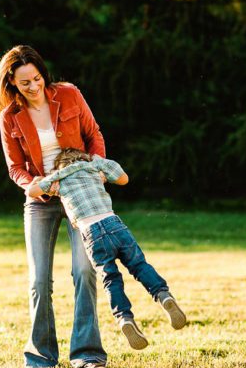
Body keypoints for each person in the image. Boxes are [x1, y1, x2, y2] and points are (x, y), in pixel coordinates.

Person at [0, 45, 108, 368]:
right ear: (11, 83)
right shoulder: (9, 117)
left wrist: (97, 169)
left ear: (43, 74)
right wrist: (32, 184)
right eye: (25, 83)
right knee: (39, 281)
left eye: (37, 79)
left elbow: (93, 134)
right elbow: (15, 168)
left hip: (81, 194)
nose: (34, 87)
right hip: (41, 201)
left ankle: (88, 355)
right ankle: (40, 358)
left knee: (84, 270)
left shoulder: (68, 95)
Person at [27, 147, 187, 351]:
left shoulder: (59, 178)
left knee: (110, 279)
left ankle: (124, 319)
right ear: (84, 157)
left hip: (92, 236)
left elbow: (31, 192)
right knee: (139, 265)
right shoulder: (94, 166)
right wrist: (99, 164)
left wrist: (46, 180)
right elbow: (123, 178)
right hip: (114, 225)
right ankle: (163, 295)